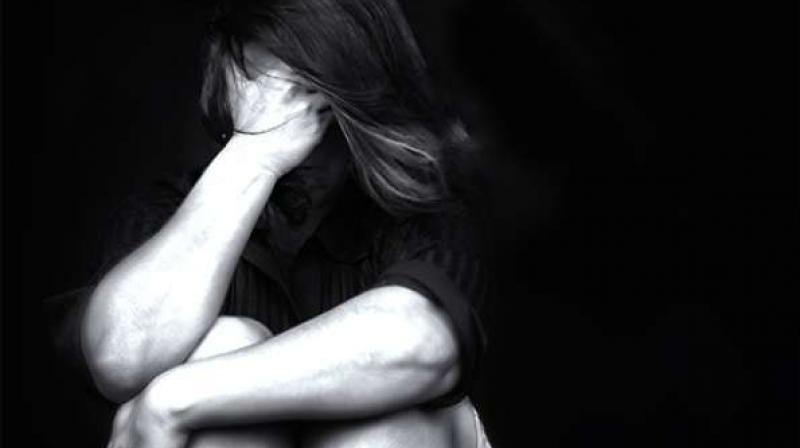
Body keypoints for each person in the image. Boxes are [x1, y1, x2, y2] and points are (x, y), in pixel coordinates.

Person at [46, 0, 494, 446]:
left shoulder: (427, 210)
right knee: (225, 343)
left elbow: (418, 346)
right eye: (269, 105)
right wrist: (254, 155)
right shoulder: (167, 212)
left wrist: (176, 398)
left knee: (390, 423)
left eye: (311, 106)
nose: (296, 138)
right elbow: (121, 357)